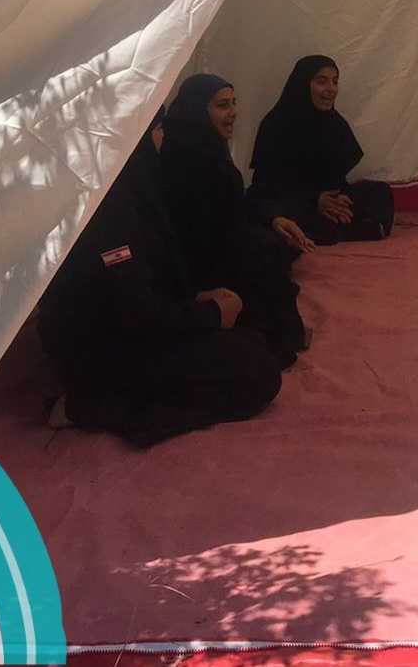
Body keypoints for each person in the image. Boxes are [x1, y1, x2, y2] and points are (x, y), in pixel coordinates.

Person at [37, 106, 283, 448]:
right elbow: (134, 313)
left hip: (136, 328)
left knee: (253, 341)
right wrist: (210, 315)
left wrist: (195, 300)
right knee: (258, 374)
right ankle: (88, 406)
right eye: (156, 129)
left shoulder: (134, 189)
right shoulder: (107, 208)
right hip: (106, 350)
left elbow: (151, 274)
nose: (163, 137)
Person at [160, 74, 312, 363]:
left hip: (221, 242)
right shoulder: (184, 162)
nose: (233, 112)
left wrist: (272, 219)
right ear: (196, 110)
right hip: (196, 263)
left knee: (277, 243)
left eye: (234, 103)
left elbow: (232, 207)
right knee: (268, 255)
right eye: (222, 105)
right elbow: (199, 232)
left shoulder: (207, 147)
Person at [248, 55, 395, 246]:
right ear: (303, 84)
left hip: (327, 200)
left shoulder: (334, 123)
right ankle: (347, 230)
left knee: (379, 192)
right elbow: (268, 184)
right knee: (271, 210)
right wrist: (315, 200)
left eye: (335, 82)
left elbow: (336, 177)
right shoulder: (276, 123)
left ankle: (338, 229)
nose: (331, 89)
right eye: (322, 81)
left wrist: (336, 199)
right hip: (290, 200)